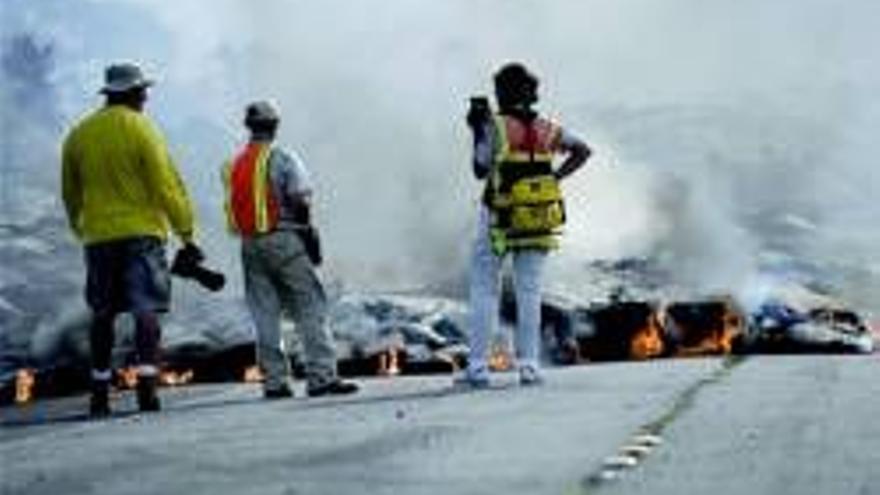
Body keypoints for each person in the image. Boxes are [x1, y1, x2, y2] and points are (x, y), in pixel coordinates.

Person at [61, 62, 199, 416]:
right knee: (146, 309)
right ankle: (147, 388)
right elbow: (166, 184)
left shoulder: (78, 134)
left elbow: (70, 192)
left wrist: (82, 228)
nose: (147, 97)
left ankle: (99, 392)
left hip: (98, 237)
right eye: (144, 91)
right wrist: (186, 233)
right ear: (134, 93)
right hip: (142, 235)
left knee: (102, 313)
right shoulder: (142, 129)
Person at [460, 62, 592, 387]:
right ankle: (530, 367)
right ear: (531, 94)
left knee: (484, 289)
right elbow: (583, 150)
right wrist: (555, 178)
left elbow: (480, 169)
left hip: (499, 217)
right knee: (530, 292)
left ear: (504, 92)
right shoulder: (548, 129)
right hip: (537, 219)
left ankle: (478, 368)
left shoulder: (496, 126)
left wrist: (477, 130)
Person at [223, 101, 358, 399]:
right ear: (275, 125)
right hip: (284, 238)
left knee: (265, 313)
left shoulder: (236, 164)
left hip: (249, 245)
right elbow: (300, 199)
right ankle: (321, 377)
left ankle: (274, 382)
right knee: (310, 306)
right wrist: (308, 234)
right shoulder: (282, 158)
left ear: (249, 126)